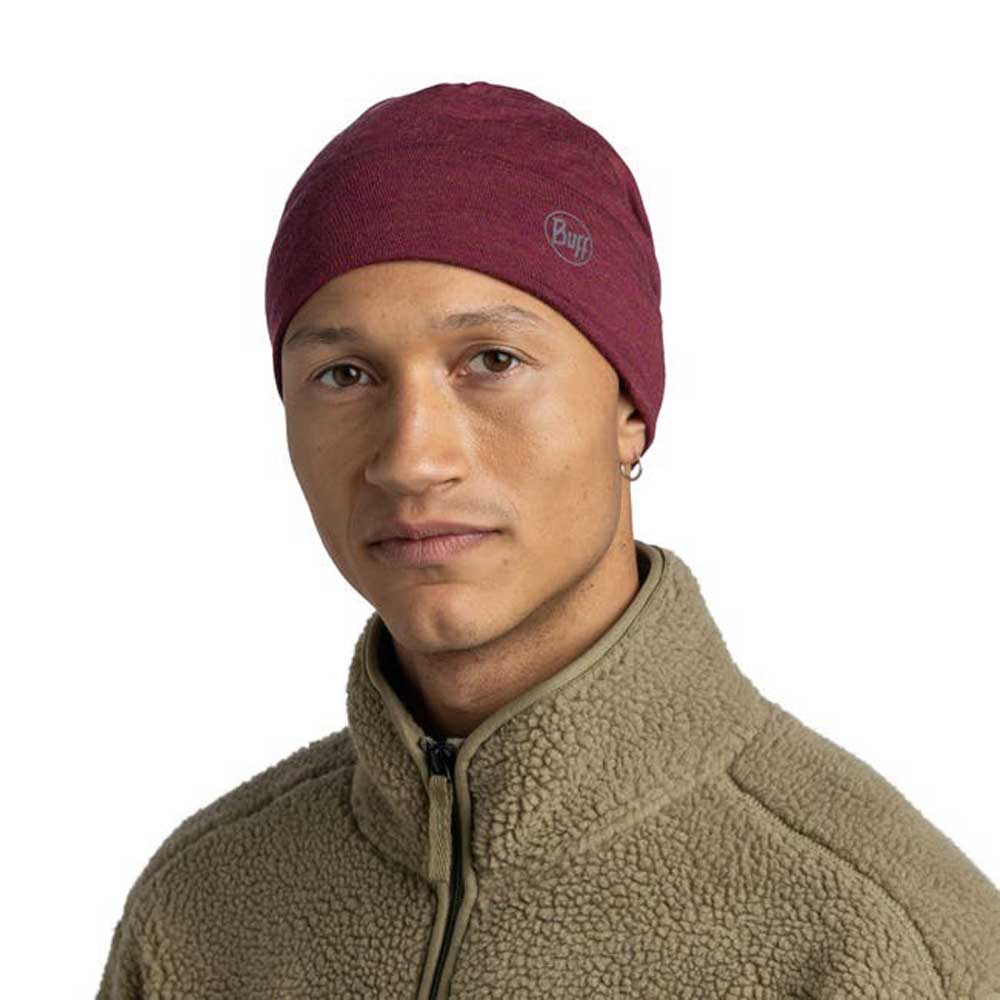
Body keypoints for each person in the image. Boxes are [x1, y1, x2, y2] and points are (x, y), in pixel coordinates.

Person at [97, 81, 1000, 1000]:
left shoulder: (877, 943)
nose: (411, 460)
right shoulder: (200, 917)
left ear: (630, 410)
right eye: (344, 374)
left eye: (492, 360)